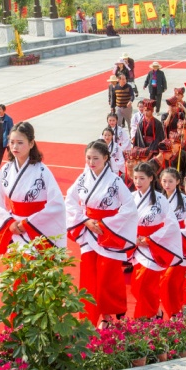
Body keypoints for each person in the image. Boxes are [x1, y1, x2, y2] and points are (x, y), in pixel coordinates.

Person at [66, 139, 137, 325]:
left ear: (106, 158)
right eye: (88, 158)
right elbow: (70, 201)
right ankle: (87, 319)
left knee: (107, 277)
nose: (91, 162)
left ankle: (108, 314)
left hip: (108, 232)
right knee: (89, 276)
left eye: (96, 158)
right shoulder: (83, 178)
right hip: (89, 230)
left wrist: (106, 224)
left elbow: (129, 207)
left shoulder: (115, 181)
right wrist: (85, 220)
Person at [0, 120, 66, 260]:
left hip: (36, 228)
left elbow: (57, 204)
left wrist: (28, 223)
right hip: (13, 227)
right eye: (12, 142)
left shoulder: (42, 171)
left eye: (20, 142)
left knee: (33, 273)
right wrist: (8, 222)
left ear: (31, 143)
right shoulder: (6, 169)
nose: (15, 146)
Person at [127, 161, 181, 318]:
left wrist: (151, 239)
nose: (138, 182)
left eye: (142, 178)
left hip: (153, 246)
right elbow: (122, 219)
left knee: (145, 284)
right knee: (136, 287)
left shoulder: (160, 199)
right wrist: (132, 238)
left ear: (151, 178)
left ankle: (144, 319)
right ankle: (155, 311)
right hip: (135, 245)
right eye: (135, 178)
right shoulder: (130, 198)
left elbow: (172, 224)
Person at [160, 168, 186, 316]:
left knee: (172, 281)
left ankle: (175, 311)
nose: (167, 184)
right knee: (162, 281)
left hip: (179, 244)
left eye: (170, 181)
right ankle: (166, 311)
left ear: (178, 182)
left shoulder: (184, 200)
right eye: (164, 181)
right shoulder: (158, 198)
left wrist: (182, 233)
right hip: (161, 243)